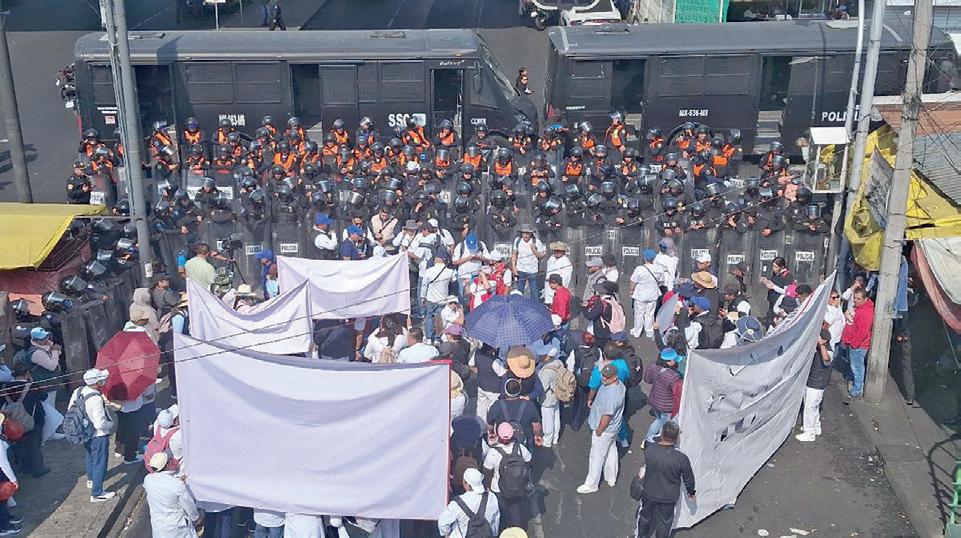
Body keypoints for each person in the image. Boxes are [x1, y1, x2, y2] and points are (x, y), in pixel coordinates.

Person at [634, 421, 695, 538]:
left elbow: (651, 440)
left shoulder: (649, 450)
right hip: (669, 496)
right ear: (676, 438)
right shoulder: (681, 458)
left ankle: (641, 536)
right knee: (665, 522)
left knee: (645, 517)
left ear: (662, 433)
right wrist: (691, 492)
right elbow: (689, 478)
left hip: (650, 492)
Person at [69, 368, 117, 502]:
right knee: (100, 462)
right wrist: (110, 424)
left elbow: (70, 408)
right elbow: (100, 424)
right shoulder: (96, 399)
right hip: (98, 435)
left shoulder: (78, 391)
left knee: (90, 457)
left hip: (84, 432)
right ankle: (97, 493)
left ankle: (91, 479)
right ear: (97, 383)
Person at [577, 363, 625, 493]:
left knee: (596, 456)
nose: (604, 378)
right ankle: (611, 477)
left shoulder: (611, 395)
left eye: (607, 377)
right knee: (611, 450)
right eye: (603, 375)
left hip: (604, 430)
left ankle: (591, 484)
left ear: (615, 377)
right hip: (613, 428)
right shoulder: (620, 385)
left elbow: (607, 416)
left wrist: (599, 430)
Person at [482, 422, 533, 530]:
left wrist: (487, 487)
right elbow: (529, 462)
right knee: (516, 511)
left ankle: (504, 531)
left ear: (498, 435)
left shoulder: (493, 453)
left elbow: (487, 472)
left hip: (498, 489)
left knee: (501, 514)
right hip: (518, 486)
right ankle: (518, 531)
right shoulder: (520, 448)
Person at [4, 362, 48, 477]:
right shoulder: (32, 386)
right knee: (34, 445)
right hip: (33, 419)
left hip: (13, 421)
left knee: (20, 444)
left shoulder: (5, 387)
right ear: (27, 373)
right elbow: (44, 396)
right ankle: (38, 469)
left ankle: (24, 468)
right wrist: (33, 382)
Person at [143, 452, 200, 537]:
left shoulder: (148, 480)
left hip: (159, 526)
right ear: (167, 465)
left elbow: (163, 484)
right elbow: (188, 504)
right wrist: (196, 517)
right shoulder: (177, 485)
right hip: (177, 526)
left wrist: (178, 480)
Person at [437, 467, 500, 538]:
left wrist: (447, 533)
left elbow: (442, 523)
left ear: (465, 483)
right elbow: (496, 520)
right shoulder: (492, 497)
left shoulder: (457, 503)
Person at [487, 376, 542, 450]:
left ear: (506, 391)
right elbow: (537, 425)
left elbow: (490, 424)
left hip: (504, 441)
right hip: (524, 443)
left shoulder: (497, 405)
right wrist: (538, 436)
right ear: (519, 390)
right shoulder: (529, 405)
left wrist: (491, 433)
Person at [797, 329, 833, 442]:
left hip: (816, 384)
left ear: (824, 340)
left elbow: (827, 359)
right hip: (814, 382)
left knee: (809, 407)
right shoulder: (817, 349)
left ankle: (809, 432)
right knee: (815, 407)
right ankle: (816, 427)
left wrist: (821, 345)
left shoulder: (828, 350)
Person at [642, 348, 683, 448]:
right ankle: (653, 443)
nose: (676, 362)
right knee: (663, 425)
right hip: (666, 406)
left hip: (654, 400)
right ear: (668, 362)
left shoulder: (653, 366)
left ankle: (646, 441)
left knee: (658, 420)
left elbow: (647, 379)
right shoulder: (674, 376)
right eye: (674, 360)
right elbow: (677, 393)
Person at [842, 289, 874, 402]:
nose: (855, 301)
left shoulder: (866, 312)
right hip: (853, 342)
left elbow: (862, 331)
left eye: (858, 299)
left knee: (857, 368)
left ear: (865, 298)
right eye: (854, 298)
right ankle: (853, 384)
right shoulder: (860, 307)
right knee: (855, 366)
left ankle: (857, 391)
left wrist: (854, 343)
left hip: (858, 345)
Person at [420, 255, 456, 344]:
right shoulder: (449, 271)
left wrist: (423, 297)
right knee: (440, 319)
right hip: (443, 299)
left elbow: (424, 285)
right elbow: (453, 280)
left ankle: (428, 338)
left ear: (435, 260)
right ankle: (437, 338)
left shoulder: (429, 271)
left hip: (430, 299)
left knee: (429, 317)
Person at [629, 248, 665, 339]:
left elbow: (633, 281)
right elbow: (661, 281)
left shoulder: (639, 269)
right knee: (650, 313)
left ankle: (637, 331)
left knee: (639, 313)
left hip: (640, 294)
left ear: (644, 258)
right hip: (653, 294)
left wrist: (632, 290)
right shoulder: (659, 268)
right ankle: (649, 331)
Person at [535, 345, 563, 448]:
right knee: (556, 417)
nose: (540, 356)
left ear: (547, 356)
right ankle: (555, 438)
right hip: (557, 394)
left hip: (547, 398)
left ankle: (547, 440)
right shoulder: (559, 363)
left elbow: (543, 388)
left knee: (548, 420)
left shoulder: (546, 370)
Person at [511, 225, 545, 300]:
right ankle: (518, 304)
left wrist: (534, 249)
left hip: (532, 270)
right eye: (524, 233)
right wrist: (514, 268)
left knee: (534, 291)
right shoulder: (517, 240)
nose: (526, 235)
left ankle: (535, 305)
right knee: (519, 290)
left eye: (528, 233)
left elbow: (541, 256)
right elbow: (514, 254)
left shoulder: (536, 241)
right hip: (520, 269)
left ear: (531, 233)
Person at [544, 242, 573, 306]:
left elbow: (565, 279)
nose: (556, 252)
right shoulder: (551, 258)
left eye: (559, 250)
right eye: (555, 250)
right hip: (548, 288)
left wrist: (558, 290)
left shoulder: (566, 263)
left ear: (563, 251)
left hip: (556, 291)